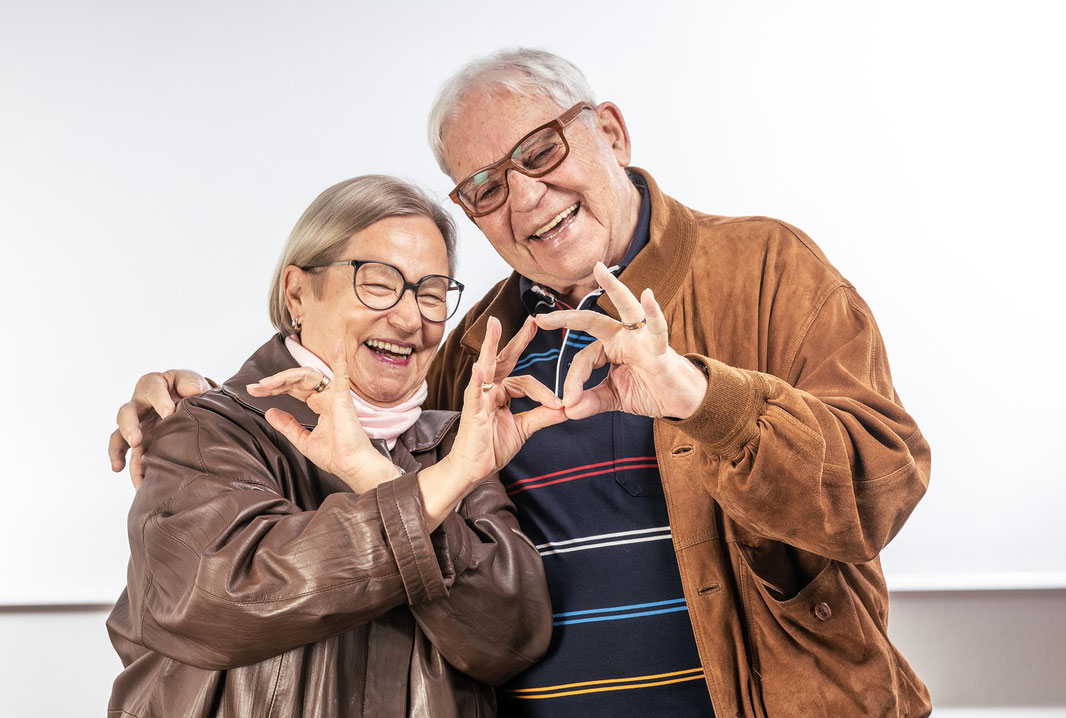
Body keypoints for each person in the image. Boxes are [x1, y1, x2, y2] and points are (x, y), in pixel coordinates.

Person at [110, 50, 933, 716]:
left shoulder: (764, 268)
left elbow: (881, 488)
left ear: (611, 131)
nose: (527, 197)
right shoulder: (473, 347)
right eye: (488, 188)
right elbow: (355, 442)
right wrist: (189, 399)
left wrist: (694, 396)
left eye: (541, 151)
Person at [106, 175, 565, 718]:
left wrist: (375, 472)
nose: (409, 316)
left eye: (432, 292)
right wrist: (430, 496)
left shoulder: (455, 445)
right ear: (297, 292)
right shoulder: (204, 430)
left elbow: (510, 641)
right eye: (377, 282)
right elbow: (226, 594)